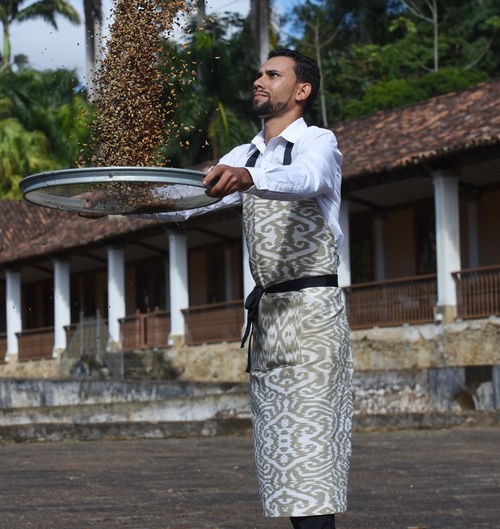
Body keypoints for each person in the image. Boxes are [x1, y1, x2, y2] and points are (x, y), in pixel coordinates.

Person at [124, 48, 354, 528]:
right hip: (269, 320)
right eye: (259, 73)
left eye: (274, 74)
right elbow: (186, 202)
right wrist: (120, 202)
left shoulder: (318, 144)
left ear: (302, 90)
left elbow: (305, 179)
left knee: (311, 469)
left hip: (312, 317)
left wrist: (251, 179)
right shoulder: (244, 153)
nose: (260, 80)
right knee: (284, 466)